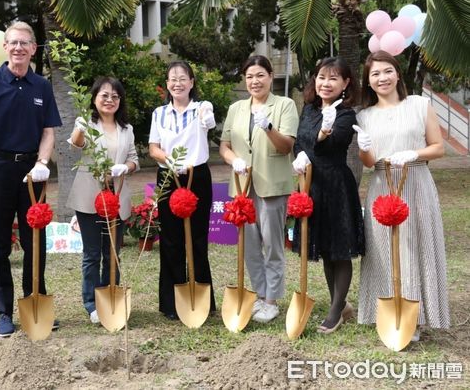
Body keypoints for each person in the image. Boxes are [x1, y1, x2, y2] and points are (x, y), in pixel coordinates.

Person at [0, 21, 62, 337]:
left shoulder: (41, 86)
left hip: (33, 171)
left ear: (33, 48)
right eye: (13, 43)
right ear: (5, 47)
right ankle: (4, 311)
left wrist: (43, 162)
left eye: (25, 43)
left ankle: (35, 302)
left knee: (35, 241)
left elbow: (48, 131)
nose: (18, 48)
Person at [355, 50, 450, 341]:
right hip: (383, 184)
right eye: (375, 74)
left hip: (416, 181)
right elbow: (369, 162)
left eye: (387, 71)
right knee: (385, 249)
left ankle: (417, 317)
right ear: (368, 82)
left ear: (398, 73)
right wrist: (363, 146)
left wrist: (414, 153)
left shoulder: (420, 105)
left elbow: (439, 147)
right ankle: (388, 310)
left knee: (415, 245)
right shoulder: (364, 115)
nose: (382, 78)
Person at [219, 55, 299, 323]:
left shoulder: (284, 105)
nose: (255, 81)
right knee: (249, 245)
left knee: (273, 245)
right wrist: (234, 160)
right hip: (243, 186)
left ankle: (272, 300)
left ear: (270, 77)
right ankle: (260, 294)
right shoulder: (237, 108)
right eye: (250, 76)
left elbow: (286, 146)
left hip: (272, 185)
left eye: (260, 75)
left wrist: (268, 127)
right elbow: (225, 146)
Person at [291, 57, 365, 333]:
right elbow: (300, 140)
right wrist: (299, 153)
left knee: (340, 249)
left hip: (335, 184)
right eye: (322, 77)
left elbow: (333, 145)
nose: (326, 83)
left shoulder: (346, 115)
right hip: (311, 184)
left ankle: (335, 310)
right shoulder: (309, 109)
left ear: (346, 83)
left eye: (334, 78)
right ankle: (341, 305)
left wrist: (323, 134)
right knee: (323, 247)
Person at [66, 77, 139, 324]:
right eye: (104, 96)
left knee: (113, 252)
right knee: (92, 253)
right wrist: (79, 127)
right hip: (89, 196)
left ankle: (110, 295)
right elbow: (77, 144)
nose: (109, 100)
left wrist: (124, 168)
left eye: (115, 96)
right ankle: (91, 303)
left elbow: (134, 159)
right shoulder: (88, 123)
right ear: (94, 98)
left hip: (116, 197)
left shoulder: (126, 130)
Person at [149, 60, 217, 320]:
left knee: (198, 239)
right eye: (172, 79)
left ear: (191, 83)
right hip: (168, 174)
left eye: (182, 78)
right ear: (167, 84)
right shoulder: (159, 113)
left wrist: (208, 118)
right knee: (171, 238)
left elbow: (209, 123)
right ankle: (171, 303)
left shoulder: (202, 108)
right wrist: (169, 161)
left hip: (196, 176)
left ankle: (203, 299)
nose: (177, 83)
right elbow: (153, 147)